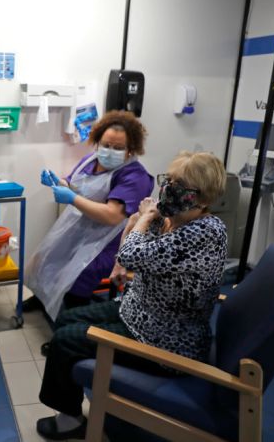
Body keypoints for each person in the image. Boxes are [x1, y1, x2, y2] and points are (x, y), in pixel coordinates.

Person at [36, 151, 228, 440]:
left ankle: (70, 420)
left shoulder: (205, 232)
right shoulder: (177, 219)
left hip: (165, 340)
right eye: (170, 180)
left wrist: (145, 217)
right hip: (140, 310)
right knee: (67, 319)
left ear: (202, 197)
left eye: (180, 185)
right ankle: (74, 395)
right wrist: (143, 219)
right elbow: (137, 245)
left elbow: (129, 253)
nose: (168, 189)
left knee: (65, 341)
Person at [24, 111, 154, 320]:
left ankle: (70, 323)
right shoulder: (89, 160)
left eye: (118, 148)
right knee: (47, 256)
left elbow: (113, 216)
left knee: (78, 273)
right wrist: (58, 183)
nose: (109, 151)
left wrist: (72, 198)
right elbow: (73, 184)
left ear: (131, 150)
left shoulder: (135, 176)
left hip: (108, 241)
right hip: (78, 227)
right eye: (106, 144)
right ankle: (42, 300)